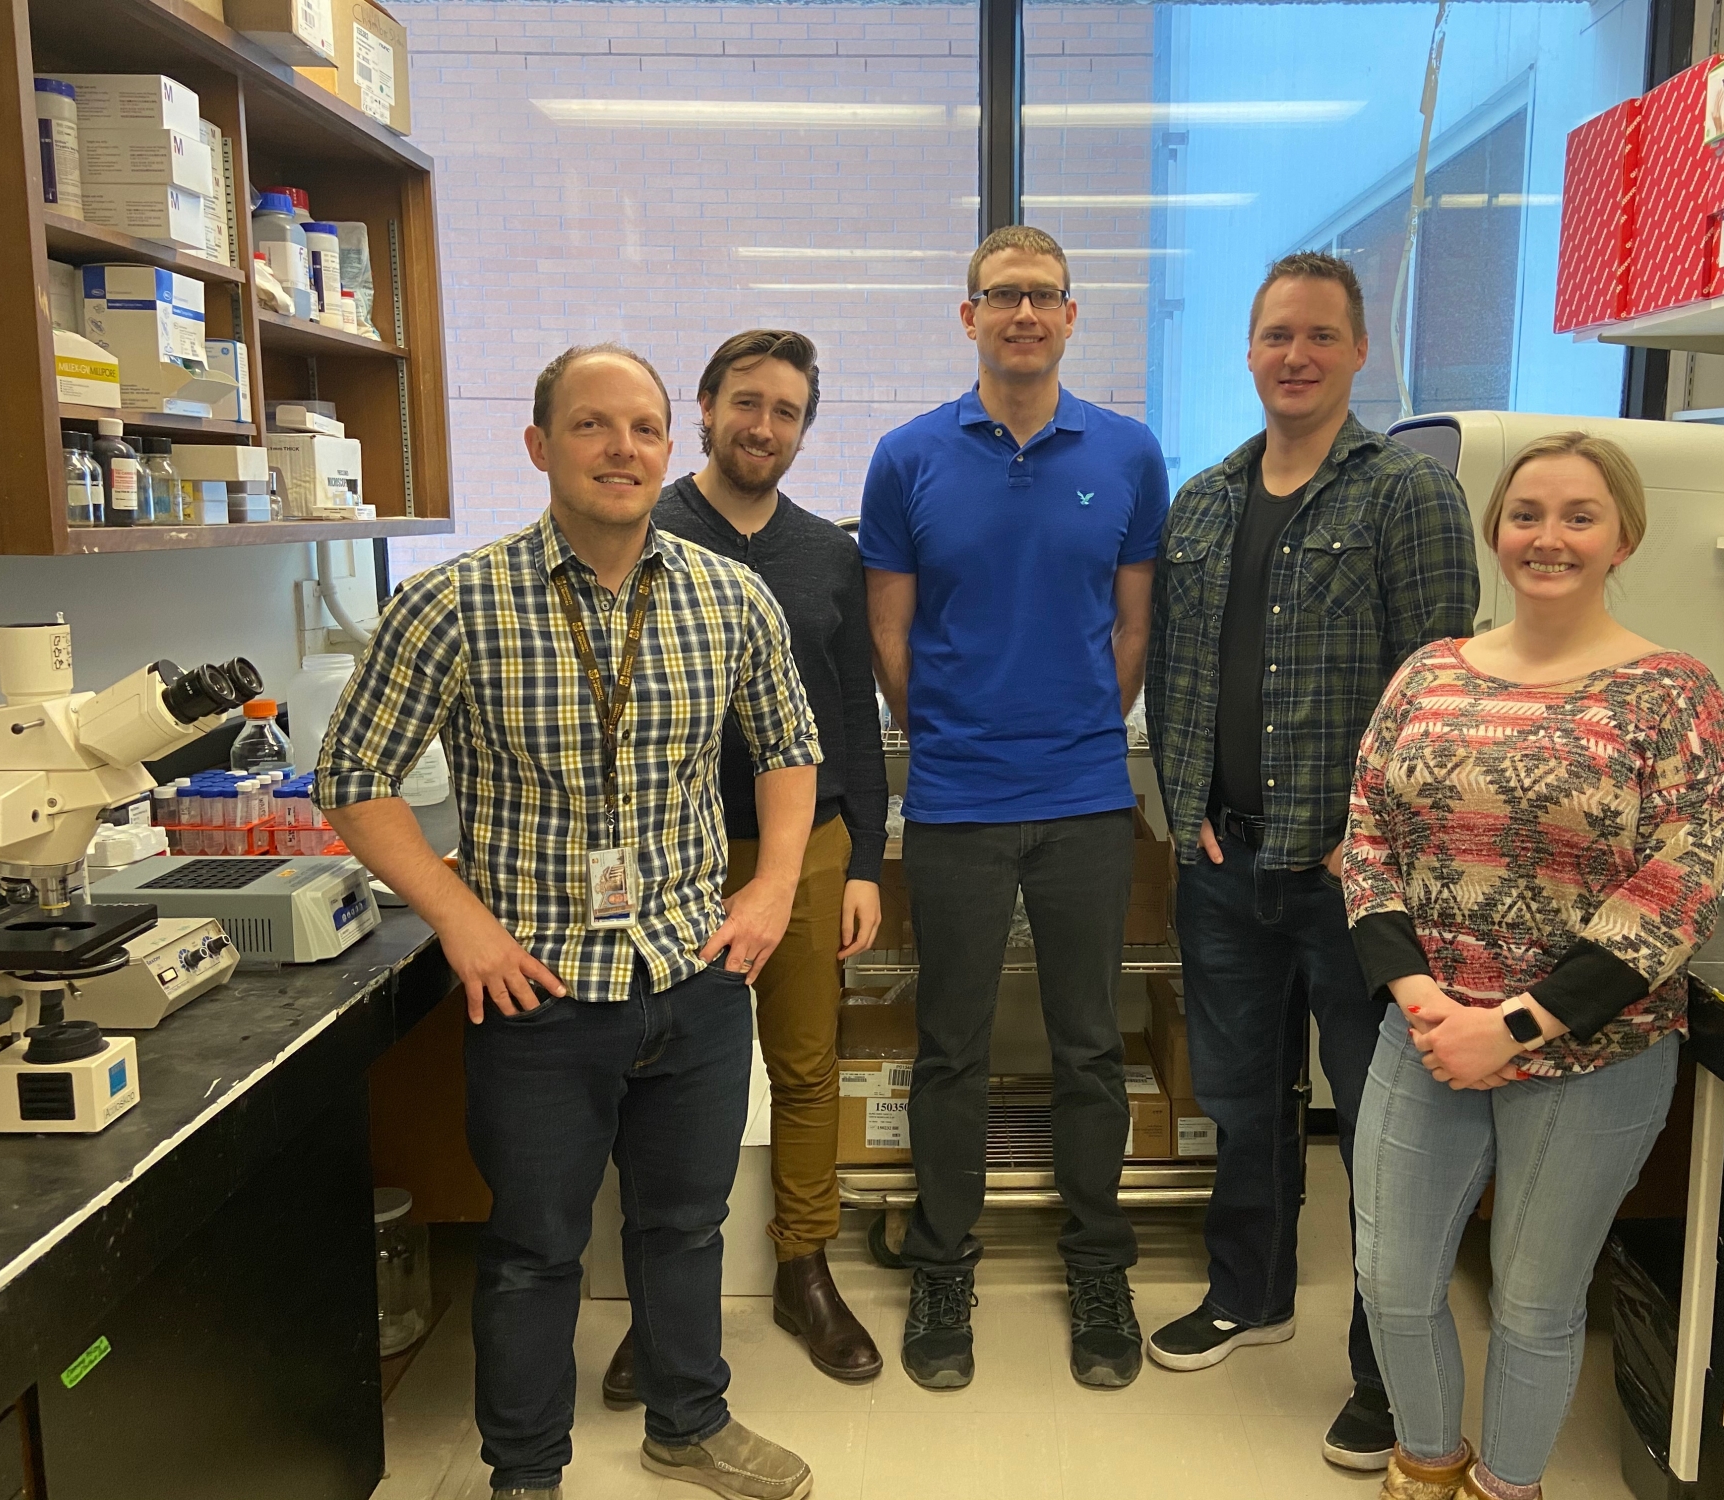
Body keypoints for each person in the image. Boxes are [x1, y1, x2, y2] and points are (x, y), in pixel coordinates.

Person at [319, 343, 824, 1500]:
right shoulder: (452, 601)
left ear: (671, 444)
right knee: (534, 1251)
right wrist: (460, 922)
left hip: (693, 976)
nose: (622, 449)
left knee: (686, 1228)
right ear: (541, 444)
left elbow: (793, 749)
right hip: (537, 987)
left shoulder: (728, 595)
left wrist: (771, 887)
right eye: (593, 427)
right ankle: (525, 1472)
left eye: (643, 428)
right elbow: (351, 775)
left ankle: (688, 1424)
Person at [1343, 432, 1724, 1500]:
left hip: (1592, 1053)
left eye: (1577, 516)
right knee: (1389, 1278)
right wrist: (1421, 997)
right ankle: (1422, 1470)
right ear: (1494, 531)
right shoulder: (1428, 673)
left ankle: (1504, 1486)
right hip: (1422, 1032)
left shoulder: (1671, 695)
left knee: (1531, 1299)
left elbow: (1677, 885)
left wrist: (1515, 1024)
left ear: (1622, 536)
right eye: (1525, 513)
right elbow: (1368, 835)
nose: (1547, 537)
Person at [1141, 250, 1477, 1469]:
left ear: (1356, 352)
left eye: (1319, 336)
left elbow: (1440, 692)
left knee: (1387, 1126)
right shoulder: (1205, 499)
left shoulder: (1403, 495)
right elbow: (1177, 670)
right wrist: (1187, 808)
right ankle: (1248, 1292)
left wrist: (1373, 839)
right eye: (1275, 333)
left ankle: (1385, 1372)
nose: (1294, 354)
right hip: (1223, 865)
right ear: (1247, 348)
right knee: (1240, 1104)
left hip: (1357, 879)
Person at [859, 224, 1170, 1391]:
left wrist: (1085, 721)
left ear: (1070, 315)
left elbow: (1132, 623)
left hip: (1088, 794)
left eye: (1042, 296)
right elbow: (891, 628)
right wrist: (946, 731)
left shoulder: (1130, 453)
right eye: (1002, 297)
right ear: (968, 315)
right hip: (951, 801)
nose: (1023, 314)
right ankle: (943, 1265)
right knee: (952, 1049)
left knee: (1089, 1046)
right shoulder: (906, 457)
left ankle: (1099, 1265)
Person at [598, 329, 889, 1399]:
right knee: (662, 1074)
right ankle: (666, 1293)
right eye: (747, 404)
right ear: (706, 408)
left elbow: (850, 712)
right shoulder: (641, 525)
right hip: (670, 850)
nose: (764, 427)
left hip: (804, 847)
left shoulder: (828, 554)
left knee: (807, 1065)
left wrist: (860, 854)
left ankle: (803, 1266)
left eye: (788, 412)